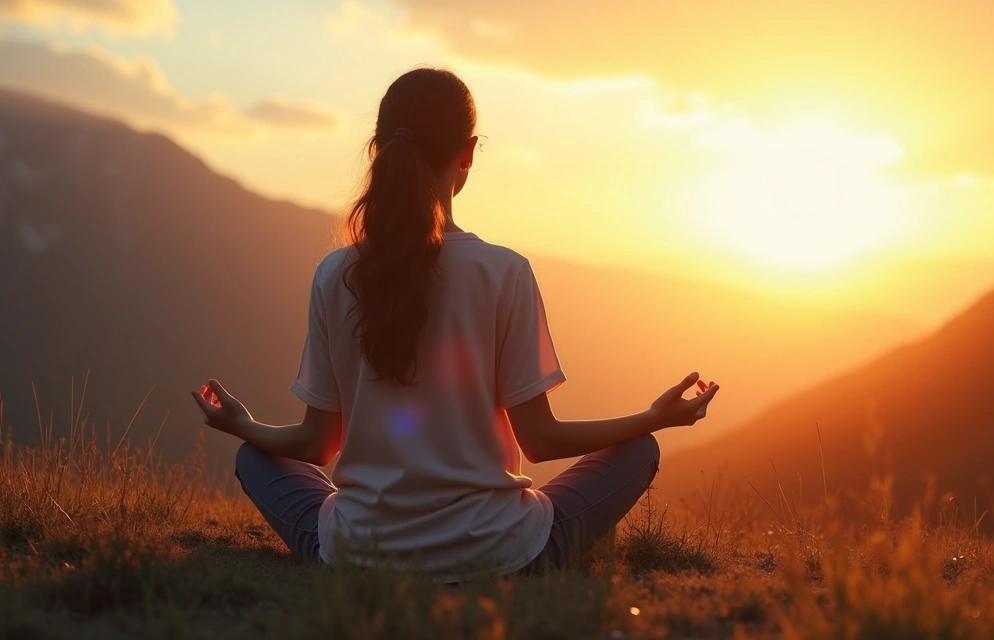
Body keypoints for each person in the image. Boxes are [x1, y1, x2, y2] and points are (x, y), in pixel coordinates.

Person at [189, 67, 720, 582]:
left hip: (361, 552)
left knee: (254, 458)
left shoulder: (335, 273)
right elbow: (539, 439)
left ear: (378, 149)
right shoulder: (504, 271)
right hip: (501, 553)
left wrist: (243, 424)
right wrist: (655, 417)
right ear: (467, 153)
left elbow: (316, 444)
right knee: (640, 448)